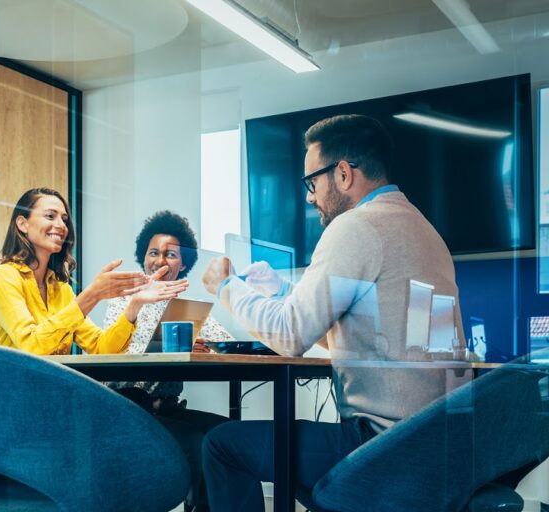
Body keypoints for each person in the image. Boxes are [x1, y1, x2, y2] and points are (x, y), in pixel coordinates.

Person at [199, 115, 468, 512]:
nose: (310, 197)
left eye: (312, 182)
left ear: (342, 173)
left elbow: (290, 336)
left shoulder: (355, 227)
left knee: (221, 445)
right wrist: (284, 292)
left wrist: (225, 287)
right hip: (436, 448)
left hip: (382, 446)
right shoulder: (423, 231)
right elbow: (373, 332)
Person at [102, 210, 233, 512]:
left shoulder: (185, 307)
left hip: (168, 408)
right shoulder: (125, 298)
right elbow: (115, 349)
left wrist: (204, 348)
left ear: (183, 263)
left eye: (170, 254)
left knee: (225, 433)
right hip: (127, 407)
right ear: (143, 258)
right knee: (198, 442)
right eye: (153, 253)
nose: (160, 261)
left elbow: (224, 345)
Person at [0, 188, 188, 355]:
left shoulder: (60, 289)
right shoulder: (4, 277)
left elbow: (101, 349)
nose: (61, 225)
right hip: (13, 397)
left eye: (64, 219)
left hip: (53, 393)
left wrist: (135, 305)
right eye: (50, 216)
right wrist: (92, 294)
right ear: (22, 224)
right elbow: (33, 346)